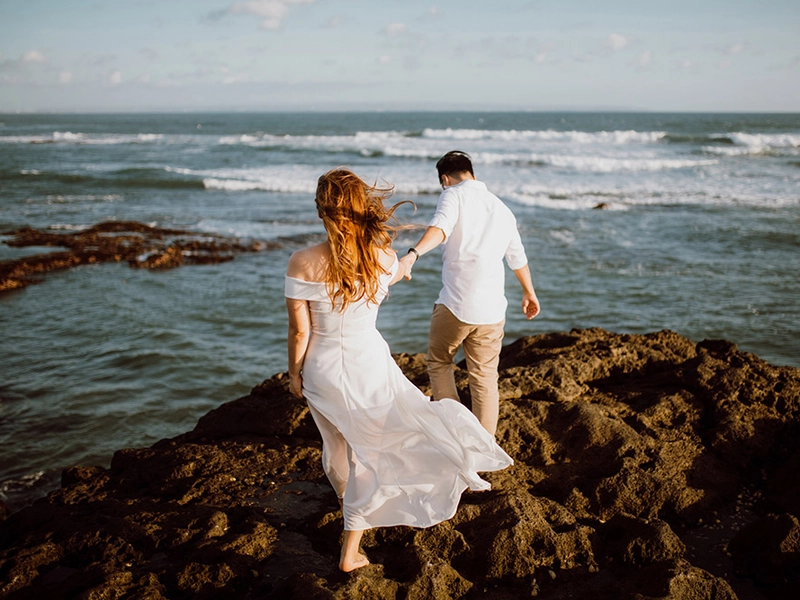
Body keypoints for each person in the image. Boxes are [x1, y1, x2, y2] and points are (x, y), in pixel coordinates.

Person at [284, 168, 513, 573]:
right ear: (361, 208)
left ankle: (349, 512)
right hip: (368, 363)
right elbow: (395, 271)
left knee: (337, 449)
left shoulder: (302, 262)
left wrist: (294, 374)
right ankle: (351, 548)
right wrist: (406, 263)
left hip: (321, 370)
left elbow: (300, 331)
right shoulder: (383, 257)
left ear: (321, 210)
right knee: (377, 448)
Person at [399, 150, 540, 436]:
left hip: (456, 304)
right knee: (485, 378)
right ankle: (484, 450)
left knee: (439, 363)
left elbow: (440, 228)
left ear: (444, 179)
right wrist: (529, 293)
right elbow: (517, 257)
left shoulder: (453, 195)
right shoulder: (502, 208)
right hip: (492, 312)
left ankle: (455, 434)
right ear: (473, 173)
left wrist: (412, 254)